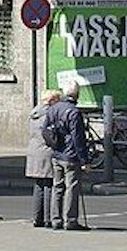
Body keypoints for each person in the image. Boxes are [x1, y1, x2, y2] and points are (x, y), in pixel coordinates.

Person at [40, 84, 90, 229]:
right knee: (72, 188)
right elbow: (78, 138)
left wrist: (53, 145)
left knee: (58, 187)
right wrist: (84, 160)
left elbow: (45, 130)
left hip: (57, 153)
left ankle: (56, 220)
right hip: (70, 155)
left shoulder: (54, 108)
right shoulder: (74, 112)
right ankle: (70, 220)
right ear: (77, 95)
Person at [25, 89, 60, 228]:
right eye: (58, 101)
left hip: (34, 151)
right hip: (46, 152)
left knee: (38, 185)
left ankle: (36, 218)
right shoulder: (49, 114)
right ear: (51, 101)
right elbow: (51, 135)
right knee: (49, 185)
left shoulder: (34, 113)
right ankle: (48, 219)